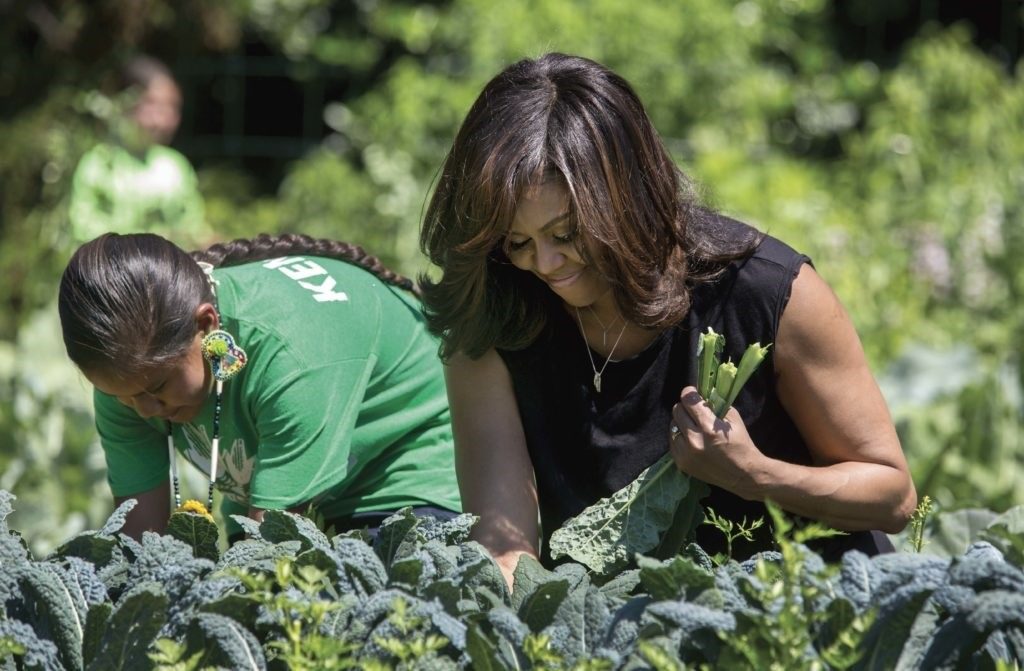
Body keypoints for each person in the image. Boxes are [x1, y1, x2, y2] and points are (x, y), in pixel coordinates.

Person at [418, 53, 917, 584]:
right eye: (516, 242)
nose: (543, 264)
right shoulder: (493, 306)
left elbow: (892, 494)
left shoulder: (767, 291)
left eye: (566, 235)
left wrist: (757, 477)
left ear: (626, 199)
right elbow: (504, 544)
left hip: (810, 612)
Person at [58, 232, 461, 540]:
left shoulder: (290, 356)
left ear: (206, 325)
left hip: (407, 470)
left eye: (158, 387)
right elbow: (138, 543)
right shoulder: (131, 375)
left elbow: (269, 554)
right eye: (123, 398)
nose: (144, 409)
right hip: (276, 484)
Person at [69, 55, 210, 249]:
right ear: (126, 103)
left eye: (173, 107)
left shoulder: (176, 165)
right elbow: (82, 229)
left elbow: (193, 228)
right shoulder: (100, 162)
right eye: (154, 104)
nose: (164, 119)